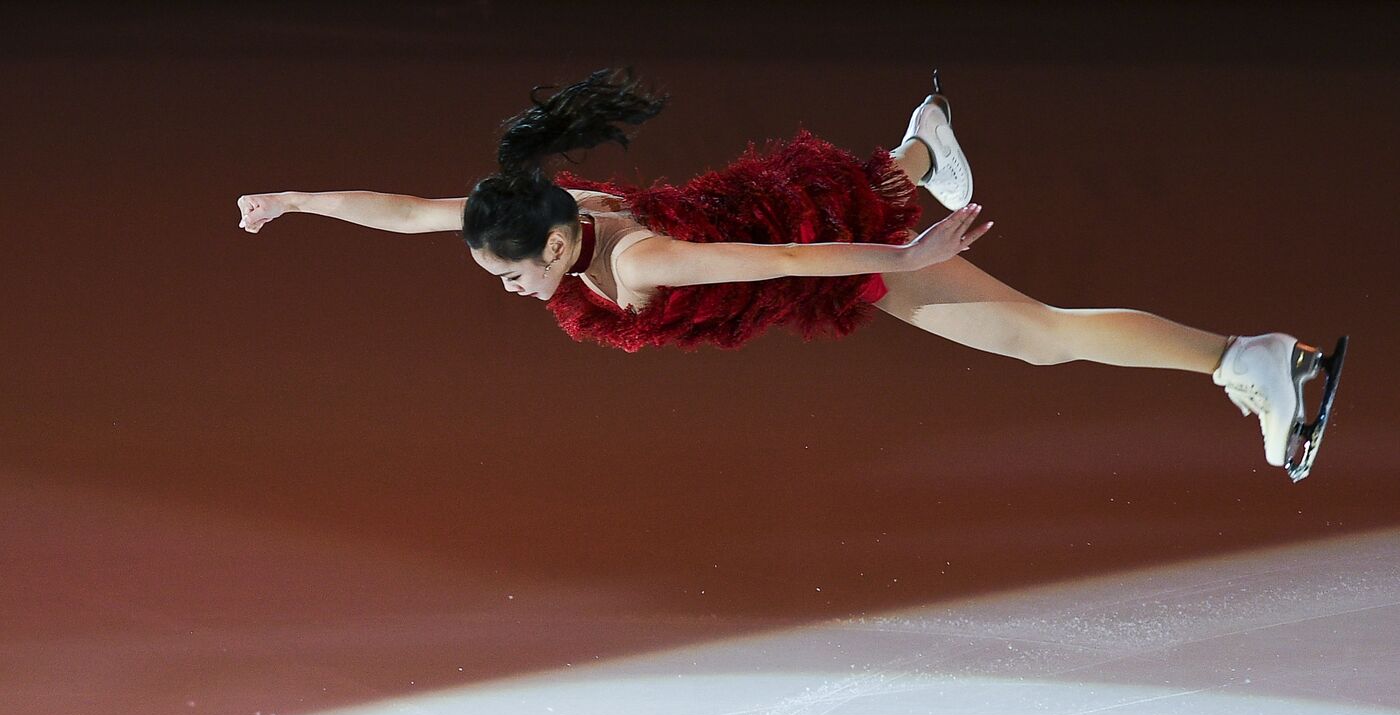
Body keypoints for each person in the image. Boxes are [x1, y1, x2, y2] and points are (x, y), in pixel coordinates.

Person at [237, 69, 1345, 481]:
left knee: (1036, 334)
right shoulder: (544, 210)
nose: (508, 288)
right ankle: (919, 145)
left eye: (514, 275)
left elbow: (786, 257)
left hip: (814, 252)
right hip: (783, 217)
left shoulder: (642, 261)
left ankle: (1251, 361)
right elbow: (408, 211)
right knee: (896, 200)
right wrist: (293, 197)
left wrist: (902, 257)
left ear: (565, 244)